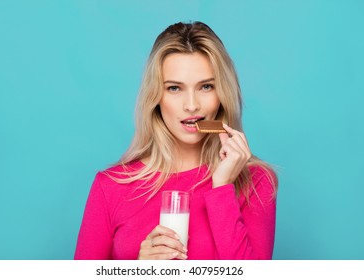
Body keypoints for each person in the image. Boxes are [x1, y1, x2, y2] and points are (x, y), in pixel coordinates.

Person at [74, 21, 278, 260]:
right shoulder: (111, 187)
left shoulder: (255, 182)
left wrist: (222, 188)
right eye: (174, 88)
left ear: (222, 94)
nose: (191, 105)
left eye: (206, 87)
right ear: (156, 97)